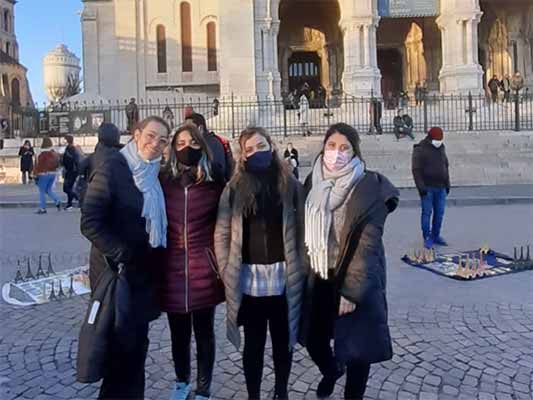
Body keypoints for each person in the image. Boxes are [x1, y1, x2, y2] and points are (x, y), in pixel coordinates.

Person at [299, 123, 399, 400]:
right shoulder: (313, 183)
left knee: (358, 349)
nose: (337, 153)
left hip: (356, 279)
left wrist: (351, 292)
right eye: (332, 146)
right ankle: (331, 371)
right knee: (316, 341)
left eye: (345, 148)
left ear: (355, 152)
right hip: (321, 274)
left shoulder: (369, 187)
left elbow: (367, 245)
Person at [80, 116, 170, 399]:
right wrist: (122, 253)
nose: (156, 144)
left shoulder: (154, 173)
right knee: (120, 351)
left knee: (136, 350)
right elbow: (90, 221)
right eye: (151, 136)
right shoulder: (113, 168)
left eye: (163, 140)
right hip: (116, 275)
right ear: (136, 134)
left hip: (142, 276)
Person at [214, 127, 306, 400]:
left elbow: (303, 227)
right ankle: (253, 394)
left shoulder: (291, 186)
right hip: (249, 280)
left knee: (283, 343)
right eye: (250, 149)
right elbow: (222, 232)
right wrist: (224, 267)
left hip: (283, 278)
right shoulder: (233, 189)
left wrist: (302, 265)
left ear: (272, 146)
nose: (257, 152)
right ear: (242, 155)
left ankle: (281, 392)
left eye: (261, 146)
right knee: (253, 346)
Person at [159, 125, 225, 400]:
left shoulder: (214, 182)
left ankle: (204, 388)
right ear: (173, 148)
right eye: (181, 142)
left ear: (202, 146)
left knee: (205, 333)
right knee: (178, 334)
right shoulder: (162, 180)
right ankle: (181, 382)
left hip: (203, 269)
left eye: (193, 143)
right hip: (172, 268)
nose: (188, 147)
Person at [411, 126, 451, 249]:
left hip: (441, 187)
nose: (439, 142)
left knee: (439, 213)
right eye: (437, 139)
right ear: (431, 138)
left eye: (441, 139)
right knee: (427, 213)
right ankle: (427, 237)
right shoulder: (420, 149)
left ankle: (436, 235)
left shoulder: (441, 148)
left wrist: (447, 184)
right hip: (427, 188)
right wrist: (421, 188)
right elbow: (416, 170)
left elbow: (445, 165)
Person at [77, 123, 122, 206]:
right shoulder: (126, 155)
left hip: (96, 200)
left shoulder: (93, 157)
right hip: (121, 202)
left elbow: (80, 171)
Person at [185, 112, 234, 182]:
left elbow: (215, 168)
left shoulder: (212, 144)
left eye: (189, 128)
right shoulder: (202, 143)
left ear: (200, 128)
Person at [34, 137, 62, 214]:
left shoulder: (41, 154)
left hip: (43, 174)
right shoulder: (54, 153)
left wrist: (36, 174)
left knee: (42, 191)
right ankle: (57, 201)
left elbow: (38, 165)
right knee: (49, 189)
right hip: (53, 173)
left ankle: (43, 208)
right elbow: (58, 164)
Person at [62, 135, 81, 210]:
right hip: (69, 170)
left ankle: (78, 198)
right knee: (69, 187)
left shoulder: (72, 148)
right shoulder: (69, 148)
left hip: (72, 171)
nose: (64, 141)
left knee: (66, 188)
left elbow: (75, 160)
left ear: (68, 140)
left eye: (65, 140)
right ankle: (69, 204)